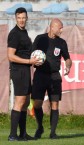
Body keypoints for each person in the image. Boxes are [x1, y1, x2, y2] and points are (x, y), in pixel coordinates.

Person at [31, 18, 72, 139]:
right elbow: (33, 53)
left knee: (55, 104)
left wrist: (68, 66)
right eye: (60, 28)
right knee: (37, 104)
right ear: (52, 27)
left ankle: (53, 133)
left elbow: (67, 58)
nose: (61, 30)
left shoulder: (61, 43)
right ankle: (40, 127)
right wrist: (34, 60)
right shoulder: (40, 38)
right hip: (40, 74)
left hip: (54, 76)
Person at [7, 7, 41, 141]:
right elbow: (10, 56)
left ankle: (22, 134)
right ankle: (12, 135)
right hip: (18, 71)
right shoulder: (15, 34)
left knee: (26, 102)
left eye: (23, 18)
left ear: (26, 18)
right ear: (16, 18)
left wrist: (35, 59)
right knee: (19, 102)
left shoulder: (24, 32)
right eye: (19, 18)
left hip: (25, 70)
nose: (21, 20)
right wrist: (29, 61)